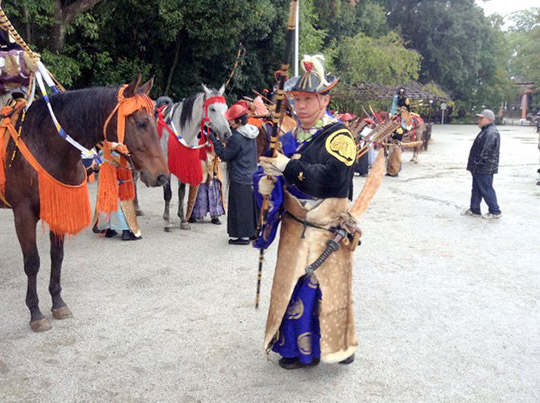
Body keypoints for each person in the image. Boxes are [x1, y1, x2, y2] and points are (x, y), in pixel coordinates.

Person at [256, 54, 357, 370]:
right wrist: (265, 184)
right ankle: (294, 348)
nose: (300, 106)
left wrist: (288, 166)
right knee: (291, 287)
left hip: (326, 229)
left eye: (308, 99)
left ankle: (336, 346)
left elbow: (330, 177)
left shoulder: (339, 137)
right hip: (293, 228)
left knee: (323, 290)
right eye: (296, 99)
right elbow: (269, 175)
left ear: (325, 99)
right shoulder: (286, 138)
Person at [208, 103, 259, 245]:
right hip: (250, 173)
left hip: (239, 175)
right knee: (249, 206)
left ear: (239, 121)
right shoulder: (251, 132)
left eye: (231, 120)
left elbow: (225, 155)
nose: (229, 122)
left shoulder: (237, 137)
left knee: (239, 207)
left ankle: (242, 237)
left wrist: (214, 140)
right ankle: (252, 233)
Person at [463, 109, 502, 219]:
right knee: (476, 188)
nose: (478, 120)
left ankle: (495, 211)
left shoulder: (491, 132)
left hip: (484, 167)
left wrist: (478, 163)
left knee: (486, 188)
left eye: (481, 118)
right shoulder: (486, 130)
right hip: (480, 166)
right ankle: (475, 209)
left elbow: (486, 151)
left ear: (489, 119)